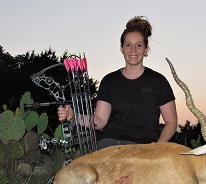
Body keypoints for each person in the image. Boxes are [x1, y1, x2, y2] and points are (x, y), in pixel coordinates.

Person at [58, 16, 178, 149]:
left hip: (144, 148)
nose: (133, 50)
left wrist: (157, 148)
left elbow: (171, 122)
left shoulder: (158, 81)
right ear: (121, 48)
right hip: (110, 144)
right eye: (128, 45)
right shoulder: (109, 81)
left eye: (138, 45)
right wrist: (75, 115)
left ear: (145, 50)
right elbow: (100, 121)